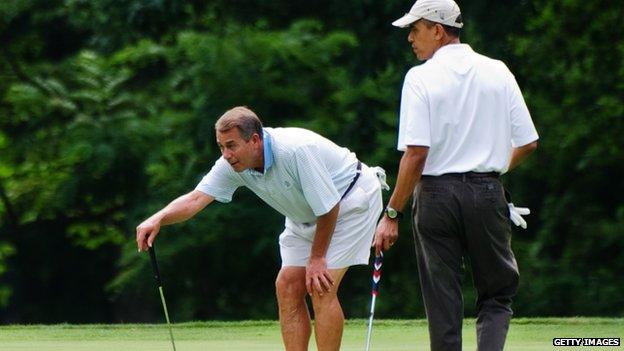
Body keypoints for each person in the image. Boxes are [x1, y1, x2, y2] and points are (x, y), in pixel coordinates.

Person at [136, 106, 386, 351]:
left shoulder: (295, 150)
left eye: (231, 145)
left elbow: (329, 208)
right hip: (307, 212)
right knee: (287, 285)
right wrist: (158, 218)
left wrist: (317, 257)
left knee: (320, 286)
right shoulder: (232, 164)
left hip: (350, 201)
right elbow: (195, 199)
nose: (226, 154)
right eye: (221, 146)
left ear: (254, 140)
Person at [373, 0, 539, 350]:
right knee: (497, 294)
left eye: (415, 31)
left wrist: (392, 214)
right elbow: (527, 143)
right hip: (487, 193)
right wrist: (493, 170)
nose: (410, 39)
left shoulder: (419, 77)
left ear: (438, 29)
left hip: (434, 198)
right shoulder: (498, 70)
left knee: (442, 299)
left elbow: (416, 153)